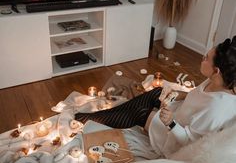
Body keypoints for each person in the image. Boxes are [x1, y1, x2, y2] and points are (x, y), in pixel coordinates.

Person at [75, 36, 236, 156]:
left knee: (138, 111)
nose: (203, 57)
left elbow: (189, 142)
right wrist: (178, 94)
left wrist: (170, 122)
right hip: (178, 113)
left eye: (206, 58)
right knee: (157, 92)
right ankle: (101, 115)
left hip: (174, 139)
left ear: (217, 71)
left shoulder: (216, 109)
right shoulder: (217, 81)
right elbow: (196, 95)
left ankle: (88, 119)